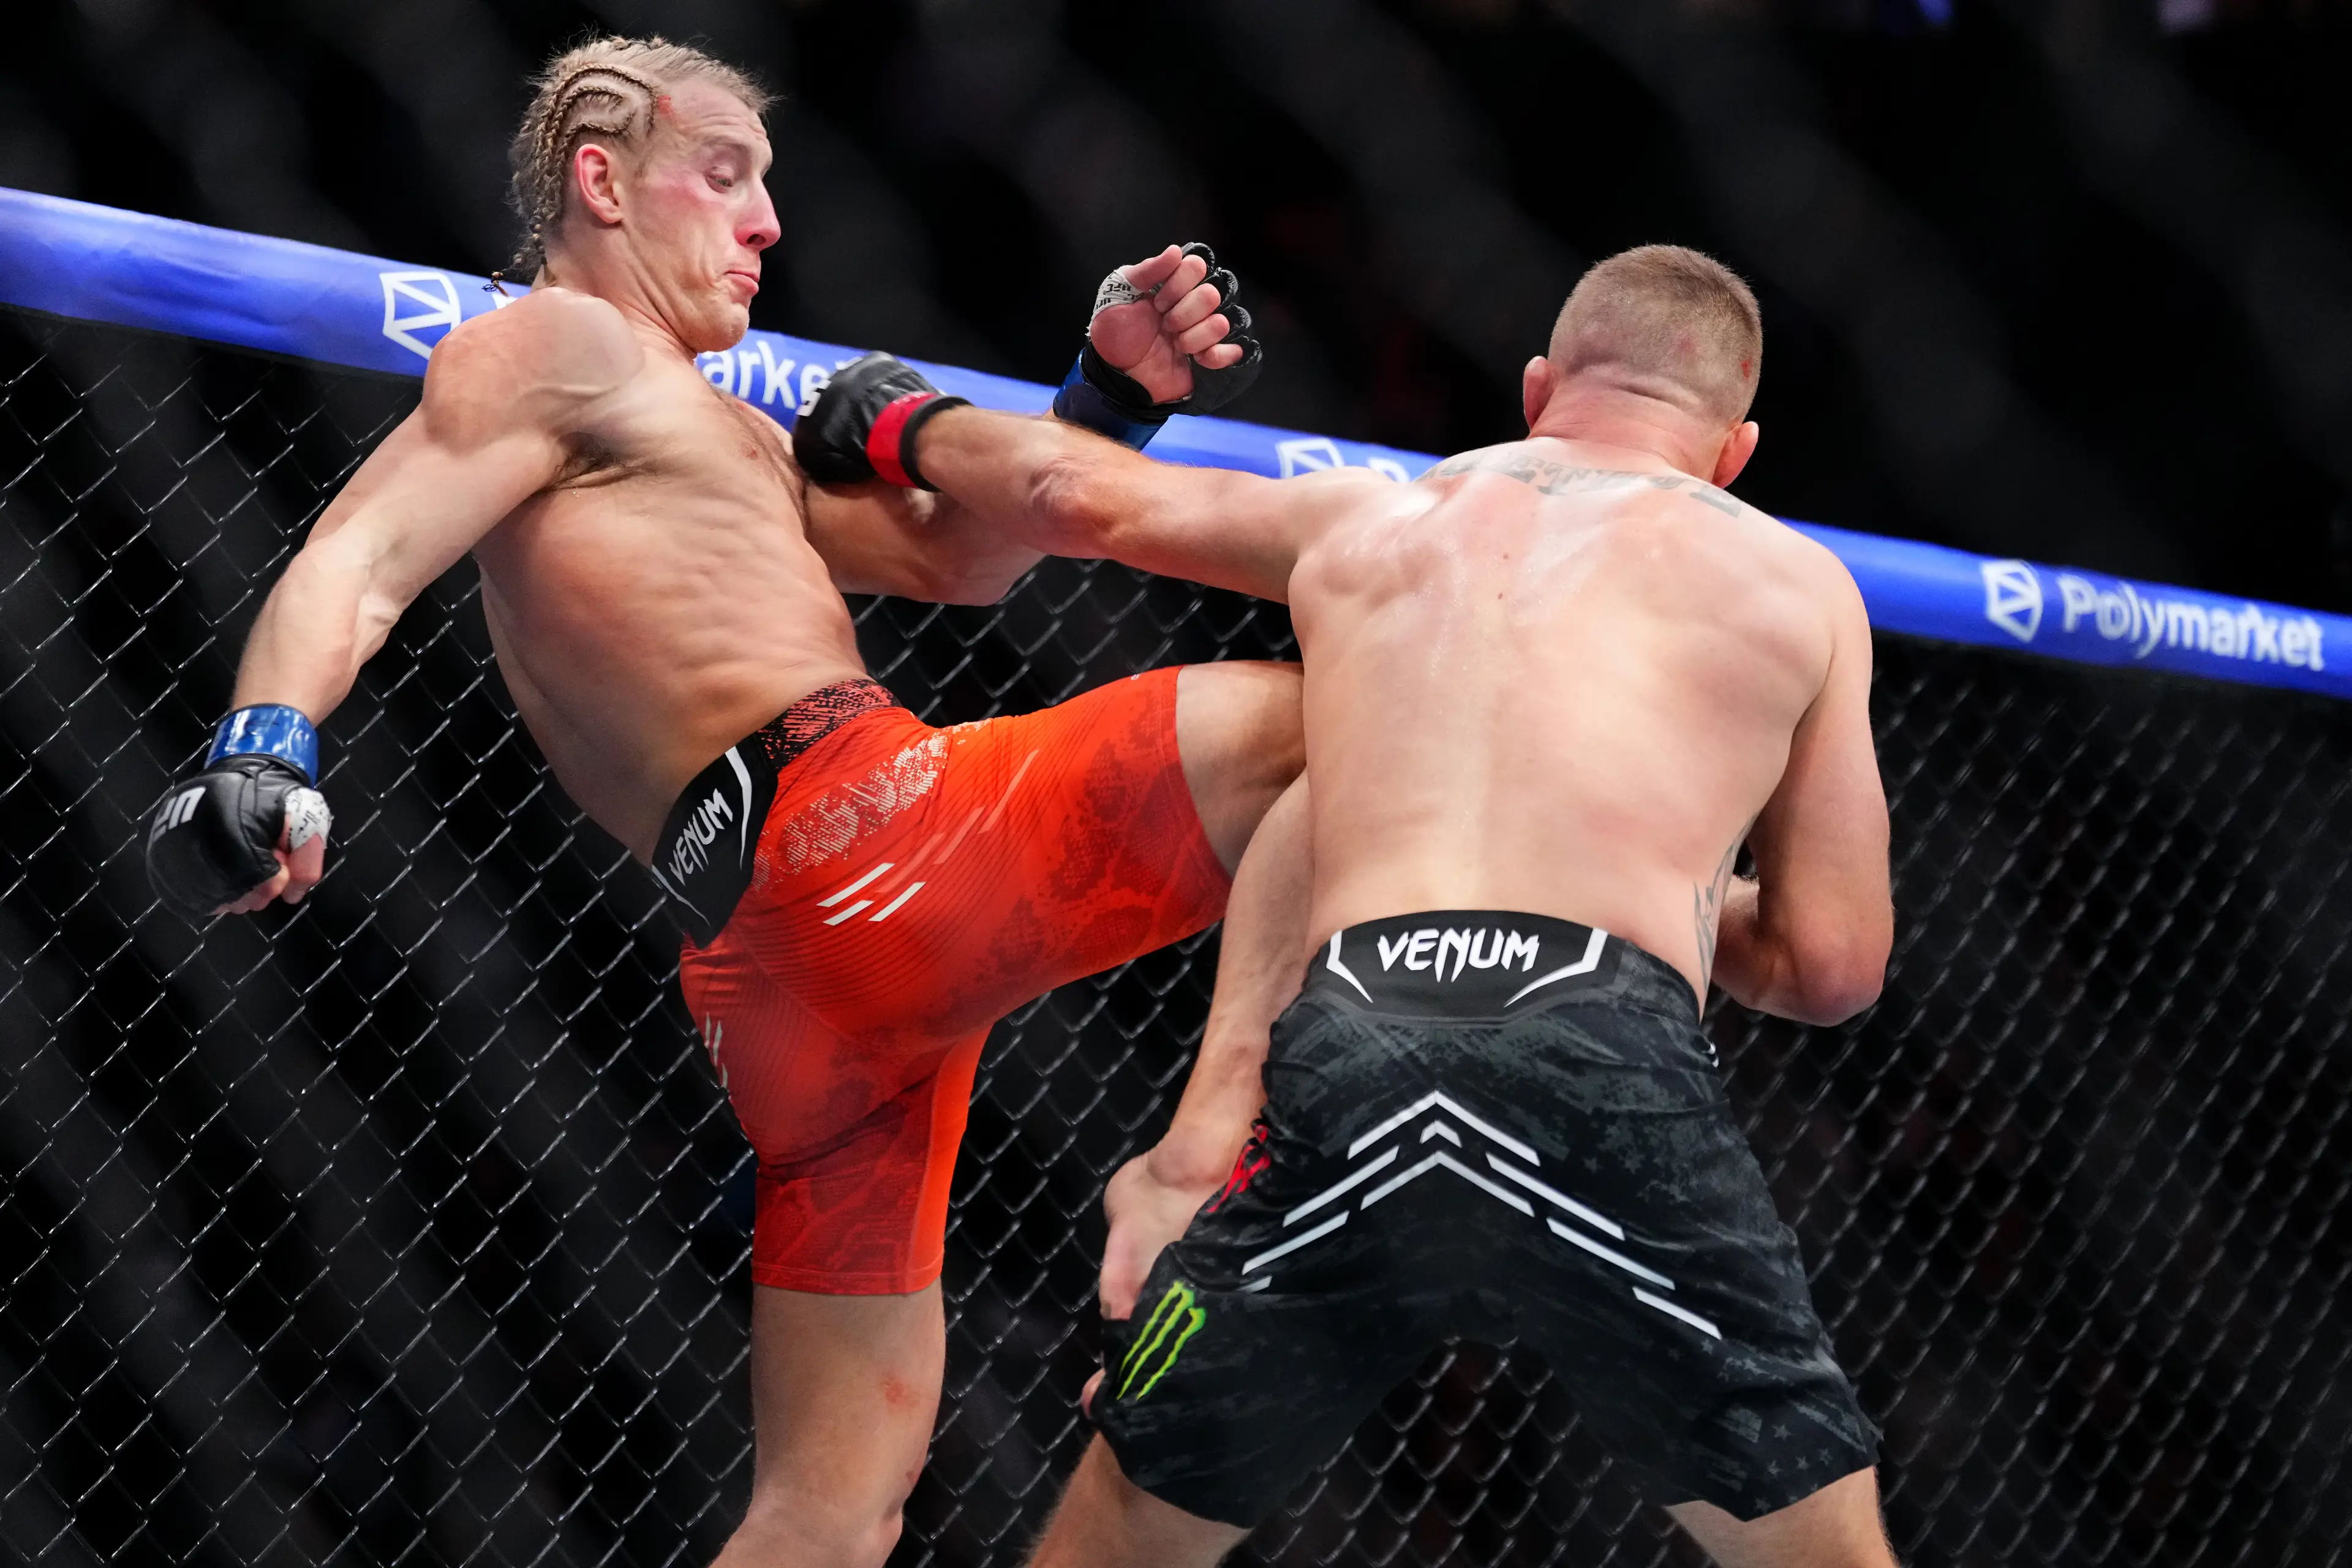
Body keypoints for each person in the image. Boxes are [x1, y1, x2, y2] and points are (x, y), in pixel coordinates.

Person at [141, 34, 1305, 1568]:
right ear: (603, 183)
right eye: (727, 176)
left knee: (830, 1508)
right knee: (1342, 714)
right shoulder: (558, 348)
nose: (766, 224)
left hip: (773, 980)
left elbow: (963, 559)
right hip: (862, 832)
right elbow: (359, 558)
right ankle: (1227, 1152)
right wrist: (263, 744)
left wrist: (1105, 394)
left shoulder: (725, 430)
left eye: (772, 187)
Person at [810, 244, 1898, 1565]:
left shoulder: (1376, 516)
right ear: (1734, 448)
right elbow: (1834, 959)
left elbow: (1072, 492)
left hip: (1361, 1034)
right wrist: (1656, 884)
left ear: (1541, 384)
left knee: (1120, 1536)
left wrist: (896, 417)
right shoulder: (1795, 580)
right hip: (1602, 1042)